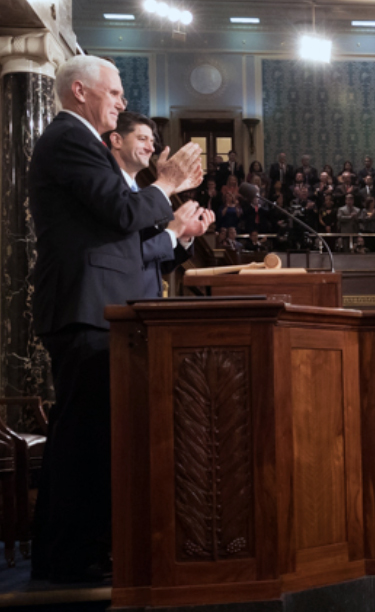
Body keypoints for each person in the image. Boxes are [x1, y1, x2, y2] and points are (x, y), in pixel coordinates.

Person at [29, 55, 202, 583]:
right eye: (116, 93)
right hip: (87, 310)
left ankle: (80, 552)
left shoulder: (81, 143)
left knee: (89, 439)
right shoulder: (69, 139)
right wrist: (166, 185)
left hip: (102, 308)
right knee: (83, 441)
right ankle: (69, 559)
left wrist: (170, 229)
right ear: (80, 91)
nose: (123, 103)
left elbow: (121, 236)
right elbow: (124, 215)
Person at [102, 111, 214, 299]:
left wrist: (183, 237)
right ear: (117, 140)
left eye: (152, 142)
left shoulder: (139, 192)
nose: (150, 148)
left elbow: (157, 264)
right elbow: (125, 256)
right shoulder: (108, 188)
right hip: (117, 302)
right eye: (142, 139)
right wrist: (171, 232)